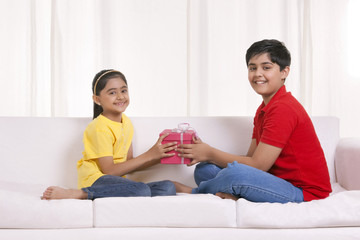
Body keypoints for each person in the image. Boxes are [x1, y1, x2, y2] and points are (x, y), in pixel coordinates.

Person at [174, 39, 332, 203]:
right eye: (252, 68)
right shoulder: (264, 109)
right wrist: (206, 156)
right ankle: (231, 193)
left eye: (266, 67)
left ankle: (196, 192)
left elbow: (257, 166)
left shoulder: (284, 108)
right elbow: (251, 158)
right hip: (275, 180)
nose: (257, 73)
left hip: (304, 192)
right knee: (205, 169)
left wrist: (210, 153)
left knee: (236, 174)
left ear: (284, 72)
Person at [42, 69, 177, 200]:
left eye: (123, 90)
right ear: (97, 99)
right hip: (96, 180)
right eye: (112, 92)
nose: (120, 96)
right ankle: (81, 194)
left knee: (168, 187)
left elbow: (129, 164)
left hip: (115, 181)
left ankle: (136, 190)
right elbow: (109, 171)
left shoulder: (126, 123)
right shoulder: (99, 127)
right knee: (142, 190)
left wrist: (159, 155)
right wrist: (150, 155)